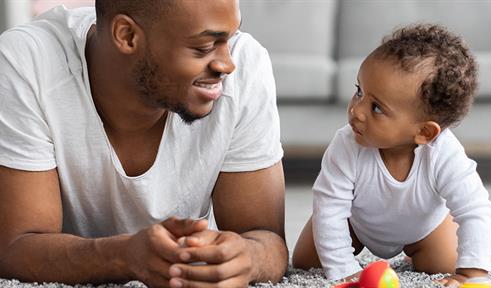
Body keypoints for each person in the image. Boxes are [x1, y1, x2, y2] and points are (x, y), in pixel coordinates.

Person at [0, 0, 288, 287]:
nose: (227, 63)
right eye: (202, 48)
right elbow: (14, 248)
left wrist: (246, 259)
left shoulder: (245, 63)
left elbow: (266, 238)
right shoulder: (28, 62)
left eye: (230, 37)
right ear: (127, 35)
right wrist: (123, 257)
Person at [292, 24, 491, 287]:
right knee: (306, 261)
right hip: (355, 223)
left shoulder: (444, 154)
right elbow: (329, 207)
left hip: (423, 229)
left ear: (424, 132)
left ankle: (417, 252)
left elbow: (475, 208)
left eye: (376, 107)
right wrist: (343, 270)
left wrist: (471, 273)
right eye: (359, 91)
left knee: (445, 264)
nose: (356, 110)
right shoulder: (346, 144)